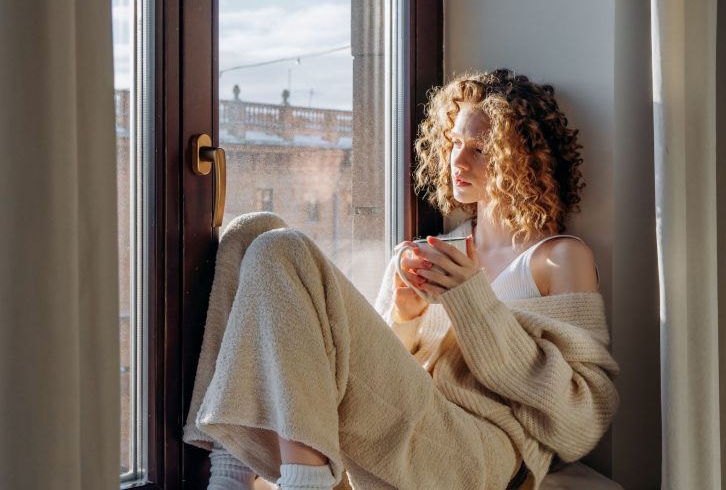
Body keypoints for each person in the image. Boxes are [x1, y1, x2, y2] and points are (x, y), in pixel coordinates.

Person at [183, 69, 620, 490]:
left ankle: (305, 484)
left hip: (482, 454)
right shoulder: (432, 250)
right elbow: (378, 380)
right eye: (454, 143)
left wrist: (471, 301)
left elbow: (579, 424)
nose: (457, 160)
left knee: (285, 248)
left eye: (479, 149)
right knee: (251, 233)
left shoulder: (559, 257)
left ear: (521, 159)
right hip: (409, 431)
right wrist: (405, 317)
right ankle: (230, 472)